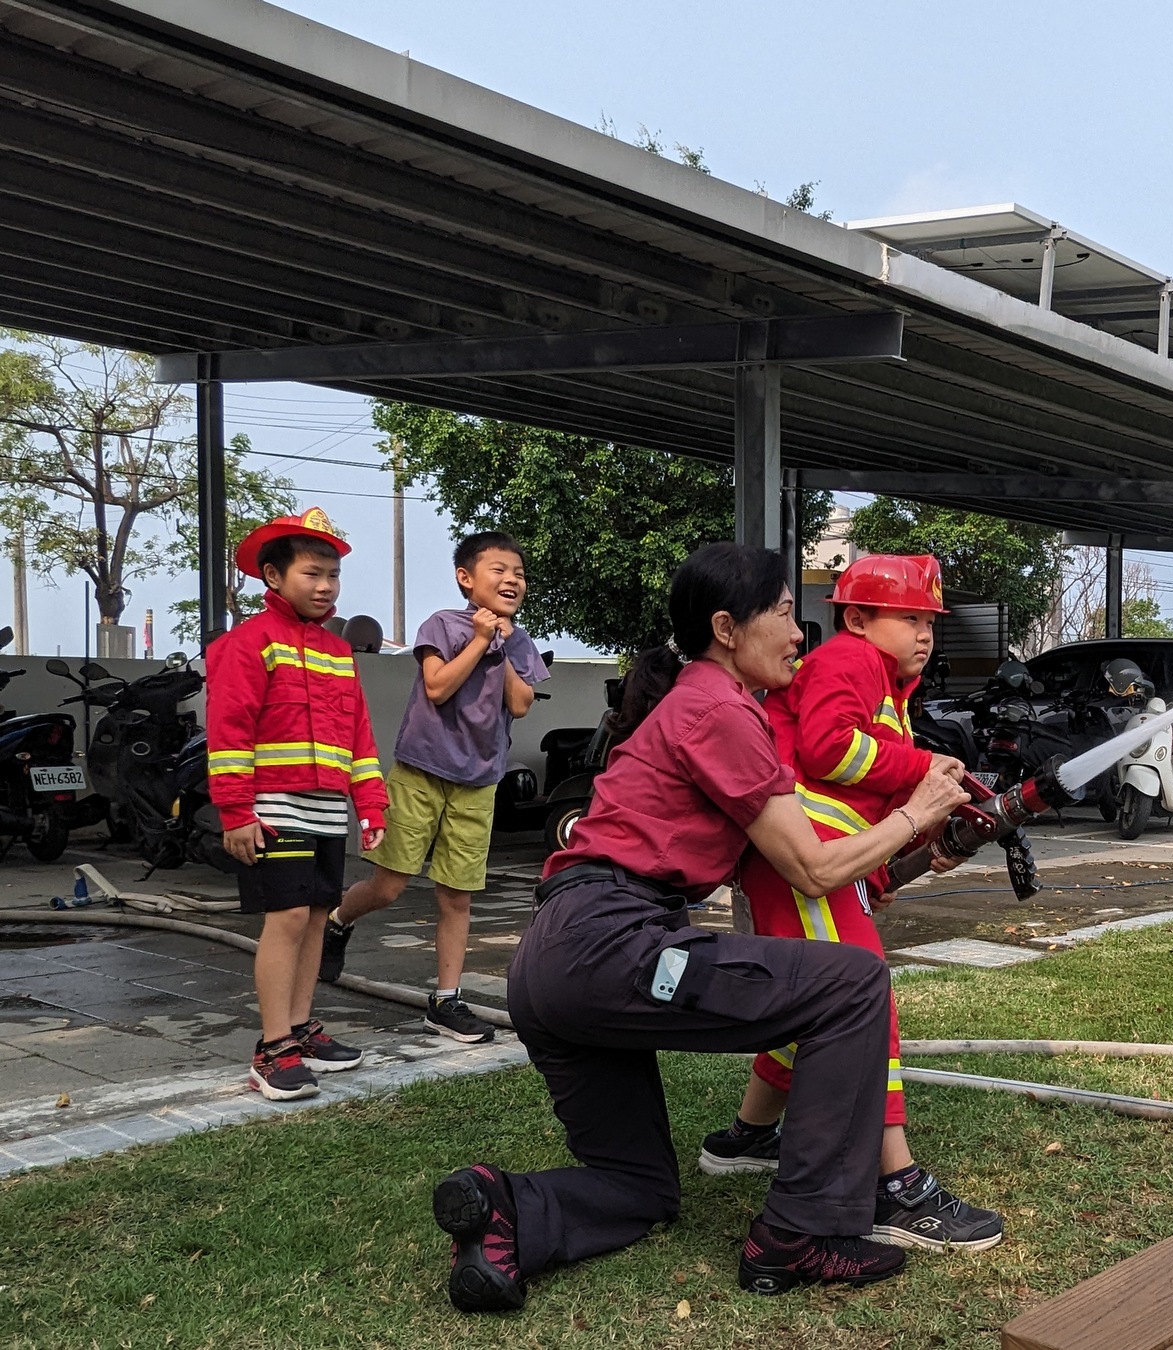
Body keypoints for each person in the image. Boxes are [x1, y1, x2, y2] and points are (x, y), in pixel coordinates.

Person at [430, 543, 969, 1314]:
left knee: (639, 1188)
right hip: (615, 947)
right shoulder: (721, 710)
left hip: (554, 964)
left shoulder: (700, 705)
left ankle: (503, 1210)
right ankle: (802, 1231)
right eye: (784, 613)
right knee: (852, 984)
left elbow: (810, 855)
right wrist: (919, 811)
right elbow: (813, 869)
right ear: (726, 628)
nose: (798, 634)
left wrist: (909, 851)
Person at [699, 553, 1005, 1252]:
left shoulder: (887, 682)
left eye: (930, 622)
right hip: (810, 856)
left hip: (822, 858)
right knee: (864, 1003)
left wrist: (925, 838)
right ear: (858, 619)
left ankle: (745, 1137)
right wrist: (925, 769)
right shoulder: (853, 659)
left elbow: (865, 784)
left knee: (813, 1004)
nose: (925, 633)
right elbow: (831, 750)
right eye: (910, 618)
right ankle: (895, 1185)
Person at [320, 531, 547, 1042]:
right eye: (499, 570)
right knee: (390, 886)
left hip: (478, 782)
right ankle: (337, 920)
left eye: (519, 573)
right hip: (421, 770)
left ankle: (445, 1001)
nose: (512, 580)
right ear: (466, 578)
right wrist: (481, 640)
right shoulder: (442, 624)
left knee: (457, 896)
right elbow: (439, 686)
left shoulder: (519, 640)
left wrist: (503, 645)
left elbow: (519, 704)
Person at [204, 508, 388, 1101]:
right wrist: (236, 812)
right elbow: (229, 732)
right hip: (273, 807)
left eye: (333, 575)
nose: (326, 586)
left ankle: (302, 1028)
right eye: (312, 574)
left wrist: (372, 806)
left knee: (315, 917)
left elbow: (359, 736)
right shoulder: (247, 643)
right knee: (285, 918)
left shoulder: (338, 651)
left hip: (327, 809)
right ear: (273, 577)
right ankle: (273, 1046)